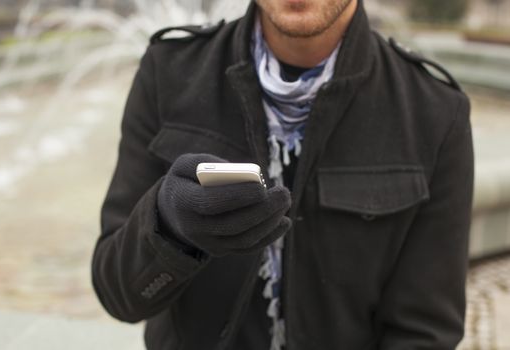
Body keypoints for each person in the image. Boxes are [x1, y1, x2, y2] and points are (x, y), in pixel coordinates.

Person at [91, 0, 474, 349]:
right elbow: (118, 296)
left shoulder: (435, 112)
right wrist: (168, 228)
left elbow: (425, 333)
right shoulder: (169, 71)